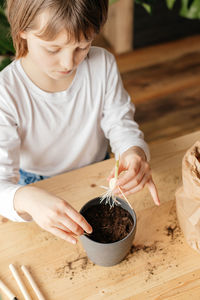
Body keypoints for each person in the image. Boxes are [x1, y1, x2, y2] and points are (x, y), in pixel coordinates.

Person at [0, 0, 160, 244]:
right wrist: (25, 199)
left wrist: (133, 152)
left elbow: (120, 123)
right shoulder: (7, 91)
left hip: (97, 170)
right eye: (52, 49)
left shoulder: (102, 64)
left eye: (83, 46)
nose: (68, 63)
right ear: (22, 30)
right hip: (36, 187)